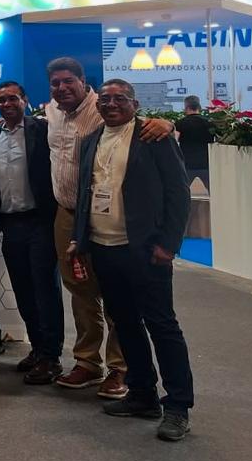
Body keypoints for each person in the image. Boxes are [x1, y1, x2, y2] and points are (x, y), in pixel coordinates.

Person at [70, 79, 193, 442]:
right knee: (125, 324)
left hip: (145, 249)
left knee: (162, 326)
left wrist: (169, 245)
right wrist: (80, 240)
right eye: (105, 99)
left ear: (134, 104)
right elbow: (85, 194)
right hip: (104, 248)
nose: (111, 104)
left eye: (119, 98)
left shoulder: (154, 137)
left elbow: (178, 193)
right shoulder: (91, 140)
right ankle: (142, 395)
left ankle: (178, 406)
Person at [44, 56, 172, 398]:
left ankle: (120, 367)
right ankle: (87, 361)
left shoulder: (102, 108)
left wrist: (169, 123)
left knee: (117, 292)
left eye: (68, 81)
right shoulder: (51, 111)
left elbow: (145, 128)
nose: (61, 88)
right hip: (67, 215)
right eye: (55, 83)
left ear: (83, 81)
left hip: (110, 217)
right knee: (80, 290)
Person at [0, 81, 64, 385]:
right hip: (10, 224)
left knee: (45, 290)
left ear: (25, 100)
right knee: (23, 290)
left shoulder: (42, 130)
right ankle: (38, 348)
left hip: (40, 222)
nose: (7, 104)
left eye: (13, 99)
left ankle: (52, 357)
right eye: (1, 100)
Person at [175, 95, 214, 190]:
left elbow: (174, 141)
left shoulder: (180, 123)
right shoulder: (208, 123)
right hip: (206, 162)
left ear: (187, 107)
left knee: (182, 191)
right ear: (199, 107)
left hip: (187, 163)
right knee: (213, 190)